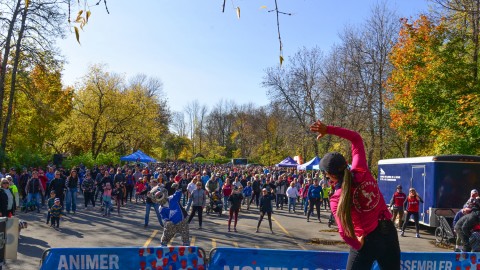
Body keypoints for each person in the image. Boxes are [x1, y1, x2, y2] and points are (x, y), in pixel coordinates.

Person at [310, 120, 400, 270]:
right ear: (346, 163)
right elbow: (356, 138)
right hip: (388, 232)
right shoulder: (361, 169)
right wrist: (328, 129)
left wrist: (357, 244)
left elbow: (343, 232)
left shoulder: (336, 197)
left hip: (366, 240)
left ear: (330, 175)